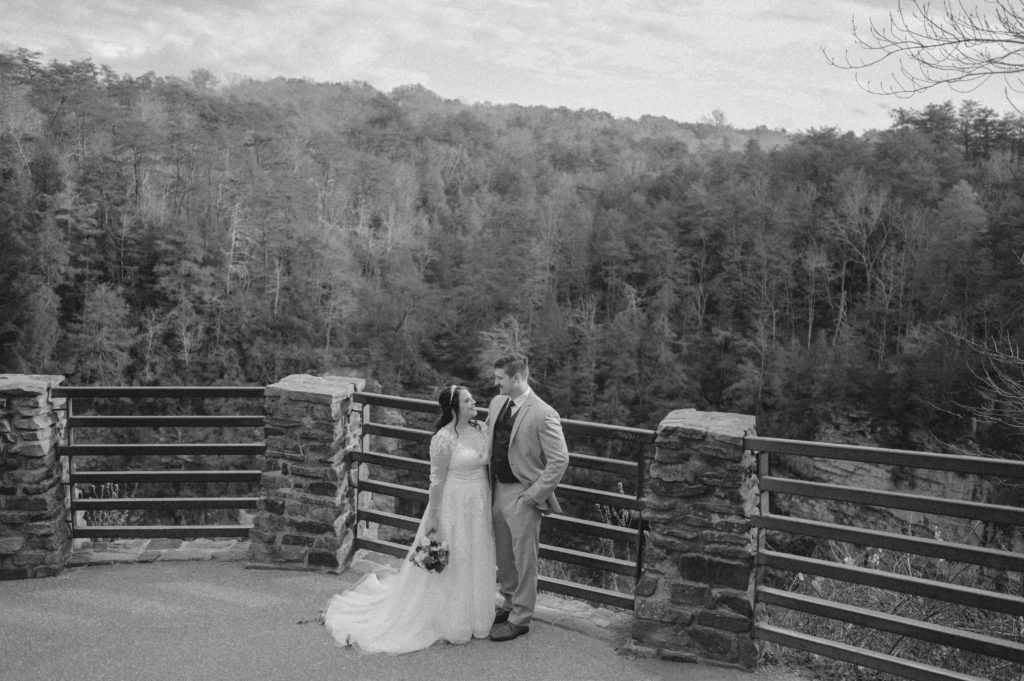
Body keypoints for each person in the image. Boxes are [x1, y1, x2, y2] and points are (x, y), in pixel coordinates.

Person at [323, 385, 495, 653]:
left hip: (479, 503)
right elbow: (436, 481)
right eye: (467, 399)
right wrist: (434, 517)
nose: (474, 401)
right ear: (454, 407)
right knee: (454, 558)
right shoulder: (443, 438)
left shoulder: (482, 429)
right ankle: (449, 617)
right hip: (453, 504)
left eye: (472, 397)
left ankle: (475, 615)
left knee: (475, 554)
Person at [486, 352, 569, 642]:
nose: (496, 384)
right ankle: (508, 604)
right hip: (497, 489)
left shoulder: (544, 413)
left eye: (500, 379)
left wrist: (533, 496)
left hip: (523, 494)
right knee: (505, 556)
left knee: (524, 558)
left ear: (517, 378)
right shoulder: (497, 403)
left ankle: (521, 618)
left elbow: (560, 460)